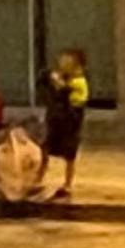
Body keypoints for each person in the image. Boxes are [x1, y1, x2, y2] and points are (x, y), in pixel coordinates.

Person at [37, 49, 92, 204]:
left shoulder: (79, 83)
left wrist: (58, 84)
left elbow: (66, 94)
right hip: (57, 121)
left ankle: (68, 183)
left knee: (69, 155)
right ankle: (39, 177)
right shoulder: (66, 78)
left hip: (70, 124)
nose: (61, 65)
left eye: (66, 62)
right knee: (46, 149)